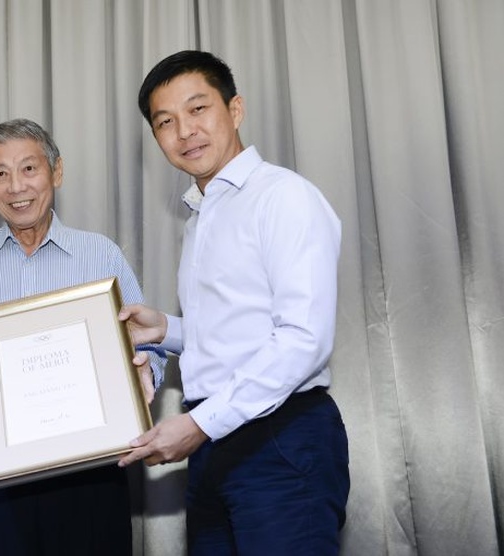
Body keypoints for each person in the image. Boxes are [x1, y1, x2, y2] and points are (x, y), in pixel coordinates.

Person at [118, 50, 350, 555]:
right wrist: (166, 330)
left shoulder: (283, 197)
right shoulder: (202, 216)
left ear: (235, 109)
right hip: (217, 443)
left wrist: (199, 424)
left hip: (281, 439)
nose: (185, 132)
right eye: (166, 122)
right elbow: (238, 328)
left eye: (198, 109)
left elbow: (302, 340)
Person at [0, 118, 164, 556]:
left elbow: (146, 344)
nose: (16, 187)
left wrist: (145, 370)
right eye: (1, 174)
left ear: (57, 172)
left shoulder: (100, 254)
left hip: (90, 482)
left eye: (29, 169)